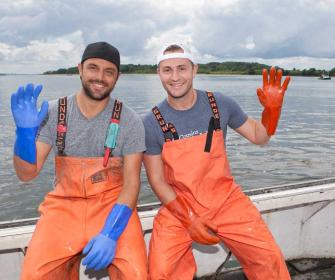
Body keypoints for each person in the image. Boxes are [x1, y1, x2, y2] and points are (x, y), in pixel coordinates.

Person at [143, 43, 291, 279]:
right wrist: (189, 218)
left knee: (268, 258)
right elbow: (158, 181)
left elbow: (258, 137)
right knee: (161, 271)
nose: (175, 77)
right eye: (167, 70)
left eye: (182, 68)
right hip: (179, 206)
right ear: (158, 73)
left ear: (194, 70)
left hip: (226, 199)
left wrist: (272, 112)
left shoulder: (220, 103)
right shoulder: (151, 122)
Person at [11, 41, 147, 279]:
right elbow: (26, 174)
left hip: (112, 207)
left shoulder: (130, 120)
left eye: (109, 72)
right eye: (93, 68)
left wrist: (111, 233)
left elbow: (132, 184)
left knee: (134, 273)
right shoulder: (53, 112)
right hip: (63, 207)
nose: (100, 77)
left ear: (118, 77)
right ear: (80, 69)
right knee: (35, 274)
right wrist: (24, 133)